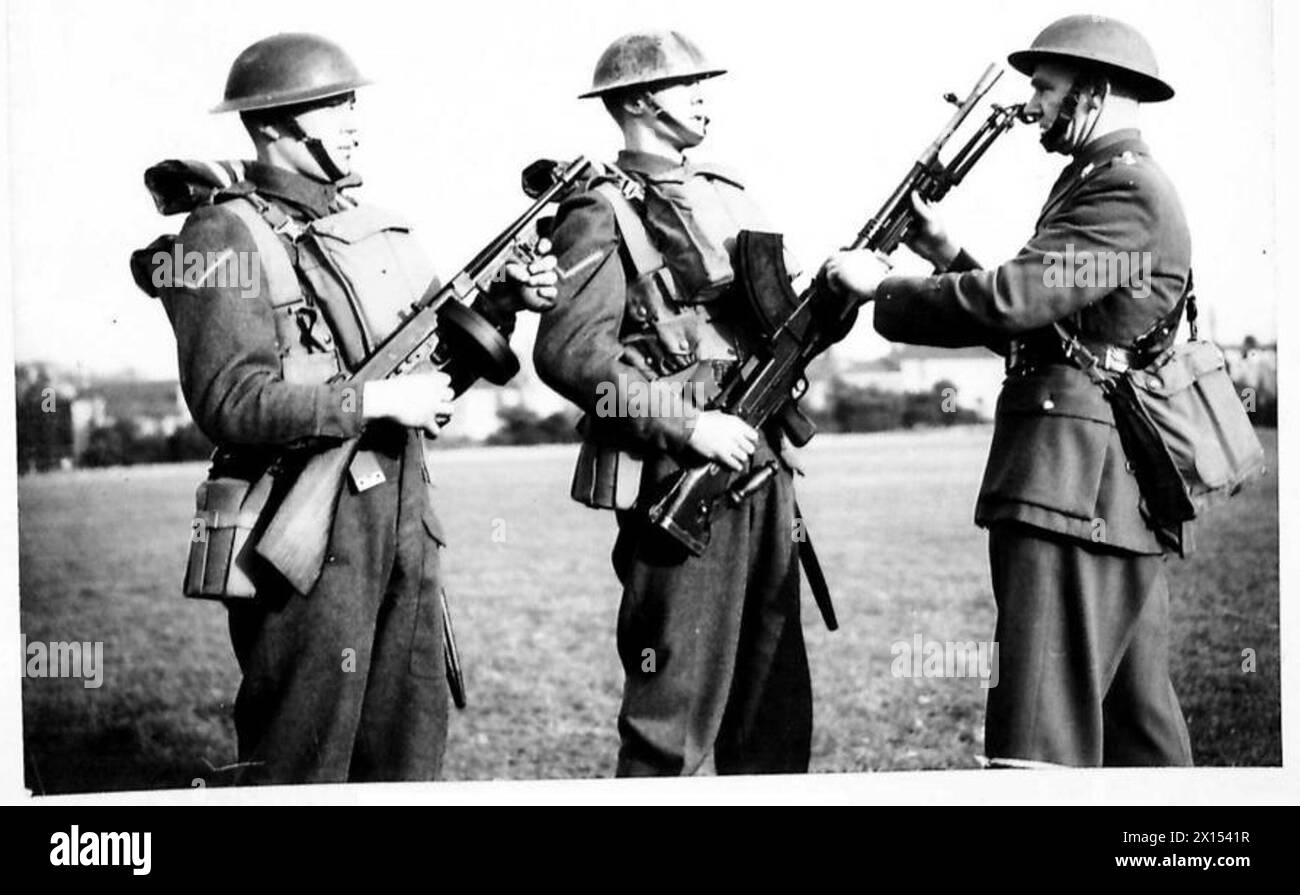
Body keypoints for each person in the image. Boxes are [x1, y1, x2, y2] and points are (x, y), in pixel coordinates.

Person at [141, 32, 557, 784]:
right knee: (302, 756)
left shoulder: (369, 231)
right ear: (273, 125)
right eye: (333, 104)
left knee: (406, 751)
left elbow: (432, 378)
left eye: (352, 101)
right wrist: (374, 398)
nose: (354, 118)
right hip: (305, 531)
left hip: (401, 517)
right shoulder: (222, 235)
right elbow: (229, 400)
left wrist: (506, 304)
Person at [822, 14, 1194, 767]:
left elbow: (1012, 303)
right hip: (1101, 490)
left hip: (1072, 489)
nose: (1032, 106)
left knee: (1039, 730)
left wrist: (883, 288)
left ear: (1092, 89)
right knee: (1136, 733)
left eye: (1045, 88)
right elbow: (1051, 326)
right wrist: (946, 252)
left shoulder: (1125, 191)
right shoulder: (1102, 181)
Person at [534, 30, 817, 776]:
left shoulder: (723, 192)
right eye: (685, 84)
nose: (701, 97)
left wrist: (840, 295)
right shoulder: (598, 211)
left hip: (763, 468)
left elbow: (779, 323)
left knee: (774, 715)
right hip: (682, 481)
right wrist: (687, 422)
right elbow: (570, 354)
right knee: (672, 724)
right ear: (637, 101)